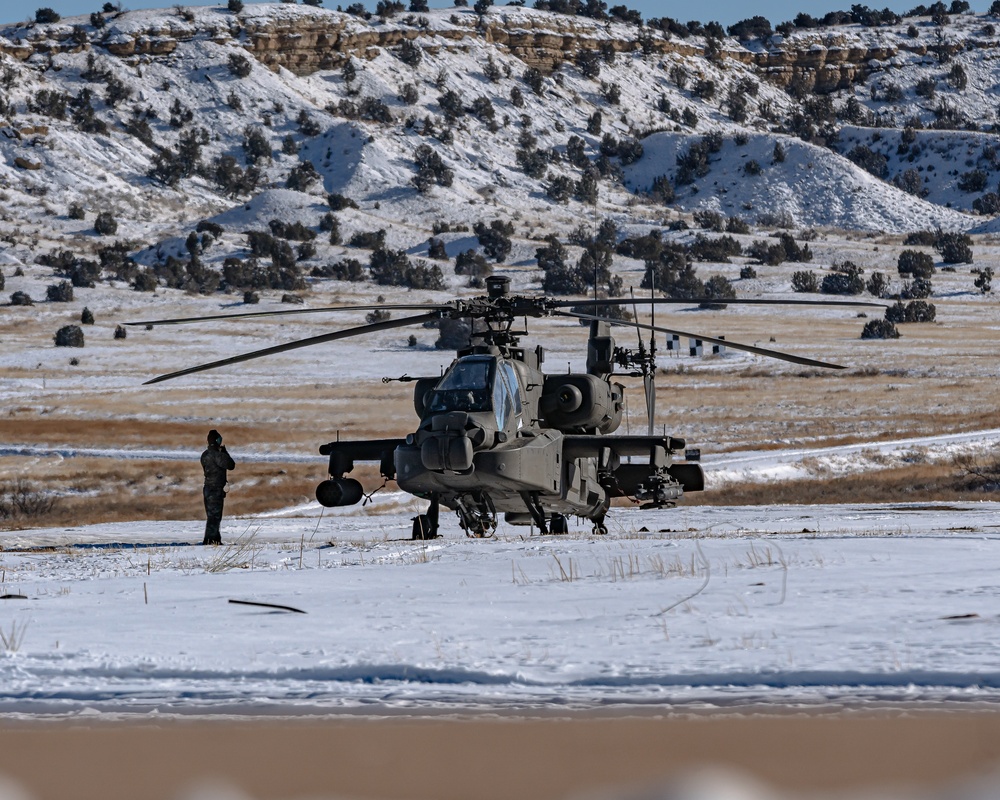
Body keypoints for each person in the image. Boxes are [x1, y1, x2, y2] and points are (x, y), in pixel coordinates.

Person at [201, 429, 236, 545]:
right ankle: (211, 540)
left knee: (211, 515)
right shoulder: (217, 455)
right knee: (215, 516)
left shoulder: (205, 454)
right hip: (215, 488)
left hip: (207, 487)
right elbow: (231, 465)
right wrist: (225, 453)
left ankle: (214, 539)